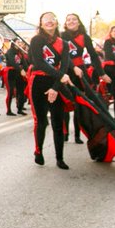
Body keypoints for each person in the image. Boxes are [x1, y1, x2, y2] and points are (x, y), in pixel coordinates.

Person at [27, 12, 72, 169]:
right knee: (41, 121)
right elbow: (38, 62)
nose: (49, 21)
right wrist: (61, 76)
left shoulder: (64, 44)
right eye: (45, 19)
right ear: (40, 23)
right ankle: (38, 151)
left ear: (56, 22)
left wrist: (55, 88)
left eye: (52, 19)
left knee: (58, 123)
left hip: (55, 83)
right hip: (39, 82)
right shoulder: (36, 40)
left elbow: (65, 65)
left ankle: (60, 158)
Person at [60, 13, 101, 145]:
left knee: (79, 104)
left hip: (79, 72)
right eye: (68, 19)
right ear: (65, 23)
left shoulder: (85, 37)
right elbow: (62, 55)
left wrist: (102, 73)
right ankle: (64, 133)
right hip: (65, 70)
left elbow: (93, 56)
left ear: (79, 22)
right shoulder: (61, 36)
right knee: (65, 102)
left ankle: (77, 134)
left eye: (74, 19)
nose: (71, 21)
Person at [3, 38, 29, 116]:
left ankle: (20, 109)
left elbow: (24, 63)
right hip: (11, 72)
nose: (20, 44)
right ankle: (9, 110)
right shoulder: (10, 51)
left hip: (19, 73)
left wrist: (27, 70)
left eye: (20, 42)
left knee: (21, 91)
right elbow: (12, 62)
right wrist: (21, 69)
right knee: (10, 92)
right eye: (18, 42)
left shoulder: (20, 52)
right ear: (14, 43)